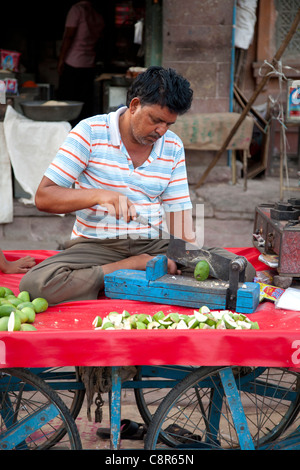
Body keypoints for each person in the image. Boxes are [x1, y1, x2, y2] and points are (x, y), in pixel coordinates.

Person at [19, 66, 255, 305]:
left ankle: (125, 273)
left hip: (152, 244)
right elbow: (44, 197)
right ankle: (130, 267)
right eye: (156, 120)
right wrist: (99, 196)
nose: (161, 131)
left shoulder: (172, 146)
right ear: (134, 106)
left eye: (169, 124)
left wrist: (185, 257)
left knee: (240, 270)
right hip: (96, 245)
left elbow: (179, 217)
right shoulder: (89, 132)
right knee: (37, 285)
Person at [57, 0, 104, 122]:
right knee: (84, 105)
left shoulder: (76, 10)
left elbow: (69, 36)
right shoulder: (97, 15)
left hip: (73, 62)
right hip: (89, 63)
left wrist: (61, 60)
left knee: (67, 104)